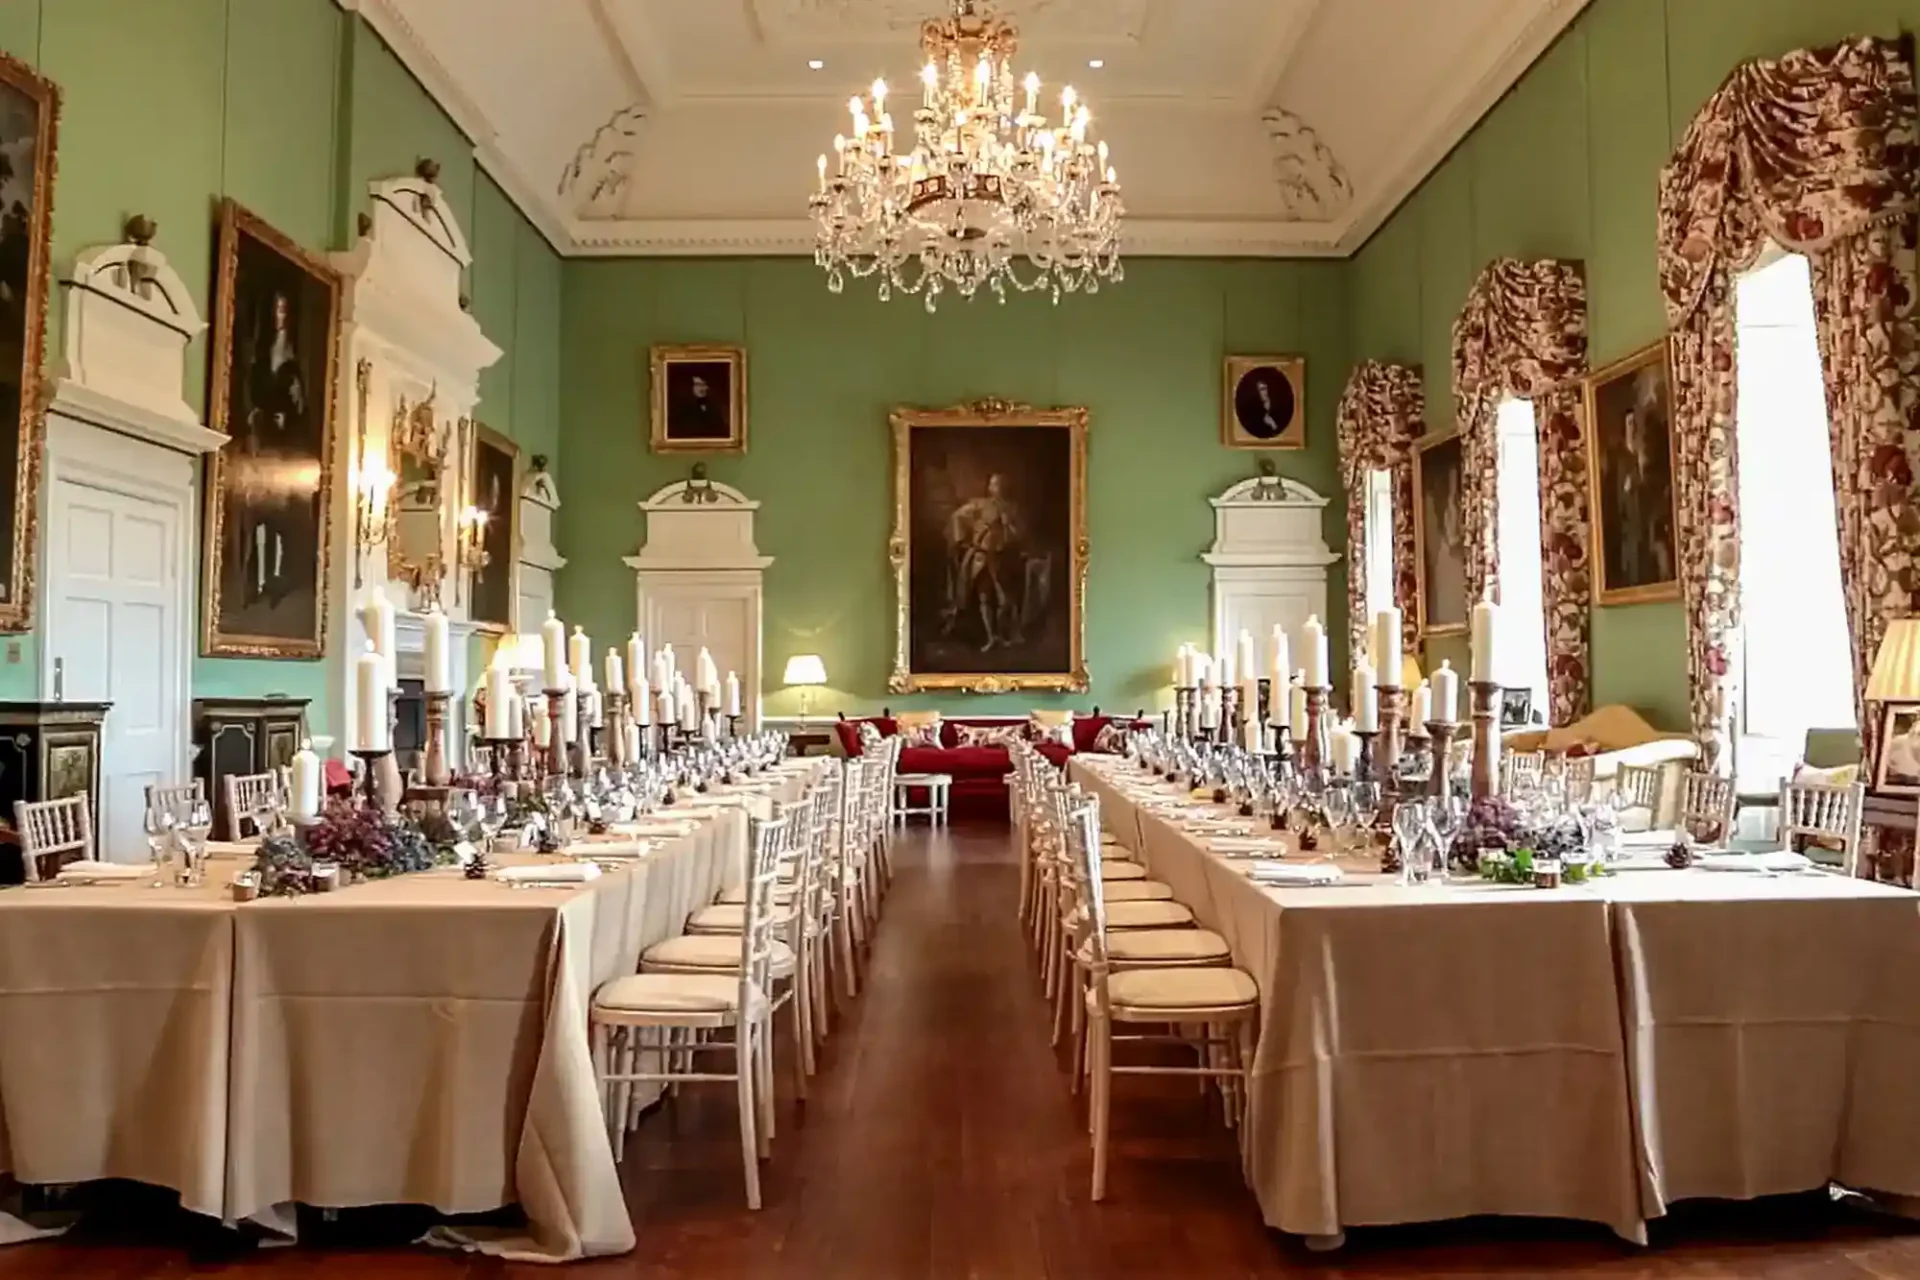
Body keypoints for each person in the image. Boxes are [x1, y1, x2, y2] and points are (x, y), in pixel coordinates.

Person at [942, 473, 1026, 652]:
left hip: (1001, 558)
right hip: (980, 557)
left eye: (1000, 484)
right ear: (989, 487)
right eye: (994, 484)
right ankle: (991, 637)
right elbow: (958, 517)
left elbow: (1019, 535)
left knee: (1006, 601)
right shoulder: (979, 505)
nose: (997, 488)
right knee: (984, 597)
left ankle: (1005, 635)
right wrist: (962, 540)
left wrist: (1008, 524)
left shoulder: (1012, 509)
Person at [670, 366, 728, 440]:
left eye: (704, 384)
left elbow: (720, 429)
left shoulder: (714, 406)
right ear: (691, 387)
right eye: (698, 385)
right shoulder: (681, 408)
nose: (702, 388)